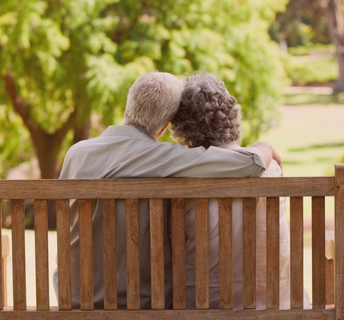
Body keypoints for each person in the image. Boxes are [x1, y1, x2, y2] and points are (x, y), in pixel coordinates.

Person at [54, 71, 282, 309]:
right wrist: (264, 147)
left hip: (73, 300)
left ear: (128, 106)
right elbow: (251, 163)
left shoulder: (76, 153)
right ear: (163, 128)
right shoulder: (160, 158)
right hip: (139, 303)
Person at [170, 72, 311, 309]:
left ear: (182, 128)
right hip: (277, 304)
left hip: (204, 305)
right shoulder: (271, 168)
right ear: (232, 115)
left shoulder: (182, 177)